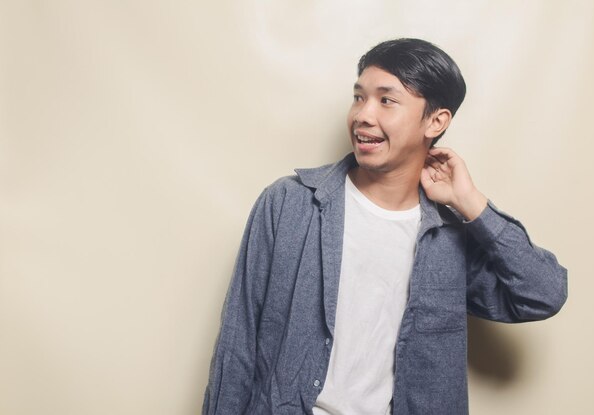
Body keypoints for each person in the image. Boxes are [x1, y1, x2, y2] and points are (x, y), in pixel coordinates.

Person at [201, 38, 567, 415]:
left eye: (386, 100)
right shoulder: (289, 204)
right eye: (359, 97)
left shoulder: (450, 235)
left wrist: (471, 202)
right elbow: (237, 343)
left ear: (436, 121)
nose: (363, 115)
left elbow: (542, 293)